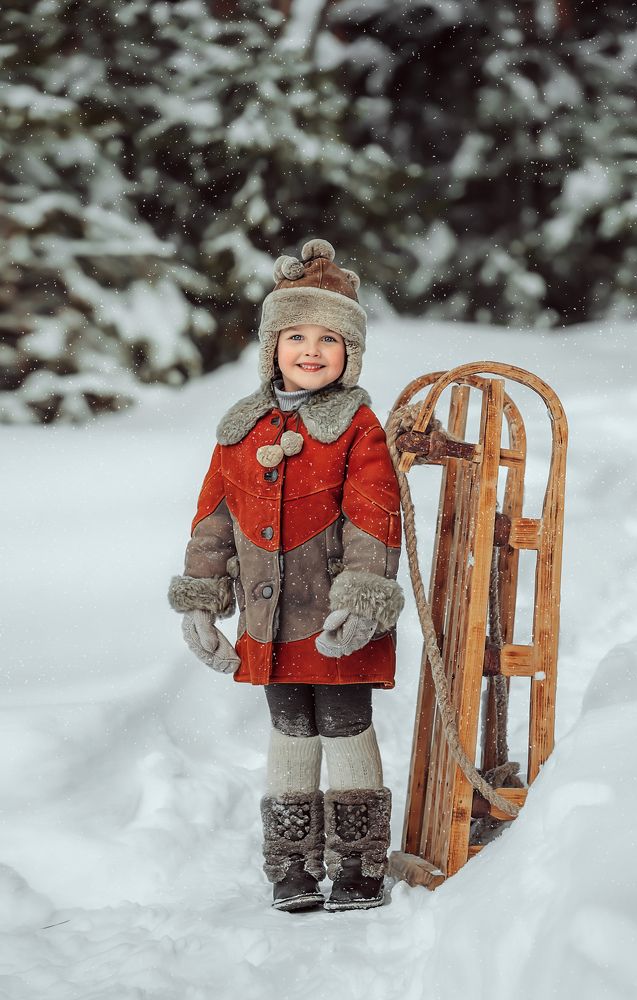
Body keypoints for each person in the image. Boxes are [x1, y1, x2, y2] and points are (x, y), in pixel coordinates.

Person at [168, 237, 404, 912]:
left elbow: (374, 519)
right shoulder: (240, 429)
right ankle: (293, 867)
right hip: (268, 620)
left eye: (328, 338)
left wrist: (361, 598)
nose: (309, 350)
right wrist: (203, 600)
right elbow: (212, 519)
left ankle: (359, 866)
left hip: (332, 615)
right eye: (294, 334)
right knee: (290, 727)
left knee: (343, 720)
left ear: (349, 354)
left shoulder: (358, 429)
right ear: (271, 346)